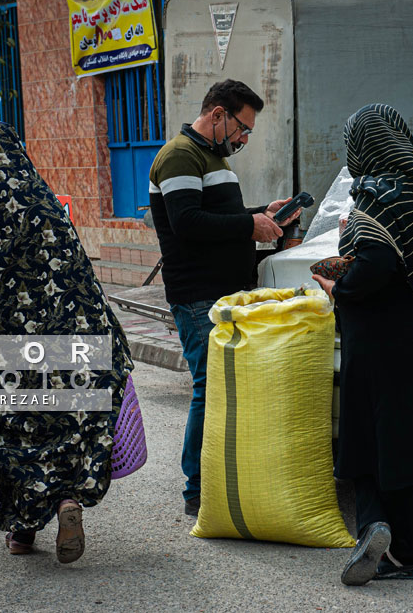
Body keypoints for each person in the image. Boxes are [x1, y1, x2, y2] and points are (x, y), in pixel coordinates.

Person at [0, 120, 134, 563]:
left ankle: (21, 532)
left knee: (8, 431)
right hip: (68, 337)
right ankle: (65, 502)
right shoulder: (42, 198)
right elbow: (79, 272)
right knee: (62, 424)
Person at [312, 104, 413, 586]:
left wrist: (337, 288)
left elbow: (372, 267)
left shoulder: (379, 197)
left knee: (368, 436)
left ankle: (380, 531)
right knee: (400, 439)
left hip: (378, 334)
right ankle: (404, 547)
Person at [148, 79, 301, 516]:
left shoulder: (211, 157)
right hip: (199, 294)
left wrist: (261, 215)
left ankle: (219, 476)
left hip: (224, 291)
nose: (243, 137)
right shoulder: (180, 155)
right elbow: (188, 223)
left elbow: (218, 217)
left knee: (223, 387)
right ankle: (196, 488)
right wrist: (247, 225)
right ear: (217, 114)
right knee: (209, 386)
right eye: (241, 127)